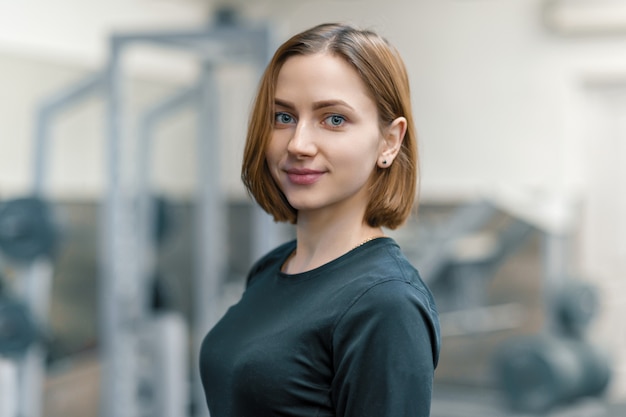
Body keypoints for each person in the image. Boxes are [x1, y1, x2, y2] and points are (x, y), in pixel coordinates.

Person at [199, 22, 440, 417]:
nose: (298, 144)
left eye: (334, 120)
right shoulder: (271, 268)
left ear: (389, 141)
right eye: (283, 117)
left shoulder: (386, 303)